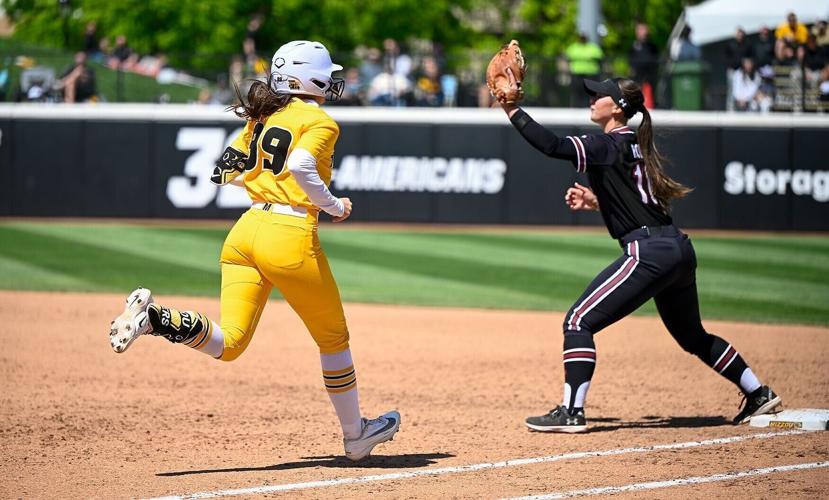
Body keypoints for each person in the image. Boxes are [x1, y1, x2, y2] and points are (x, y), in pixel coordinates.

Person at [109, 40, 400, 460]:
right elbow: (300, 165)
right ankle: (356, 435)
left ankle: (157, 320)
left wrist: (261, 163)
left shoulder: (262, 117)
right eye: (327, 73)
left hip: (245, 232)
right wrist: (335, 206)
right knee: (334, 338)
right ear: (309, 78)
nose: (332, 80)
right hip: (289, 233)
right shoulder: (319, 121)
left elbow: (222, 172)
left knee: (230, 343)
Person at [496, 73, 781, 432]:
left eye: (598, 95)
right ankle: (758, 392)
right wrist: (598, 201)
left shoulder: (606, 144)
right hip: (677, 248)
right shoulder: (633, 143)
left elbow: (552, 145)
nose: (591, 100)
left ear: (617, 108)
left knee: (578, 322)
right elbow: (637, 201)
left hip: (649, 252)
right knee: (692, 336)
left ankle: (571, 411)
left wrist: (512, 109)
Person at [565, 33, 603, 107]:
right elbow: (568, 57)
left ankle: (590, 105)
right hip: (577, 73)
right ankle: (576, 106)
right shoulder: (573, 47)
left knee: (590, 91)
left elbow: (599, 57)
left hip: (590, 73)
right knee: (577, 91)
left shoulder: (593, 47)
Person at [628, 22, 659, 108]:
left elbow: (655, 58)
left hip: (649, 75)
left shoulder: (651, 46)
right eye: (639, 30)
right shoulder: (634, 46)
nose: (641, 32)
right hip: (637, 75)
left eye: (643, 30)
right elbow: (631, 59)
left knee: (650, 94)